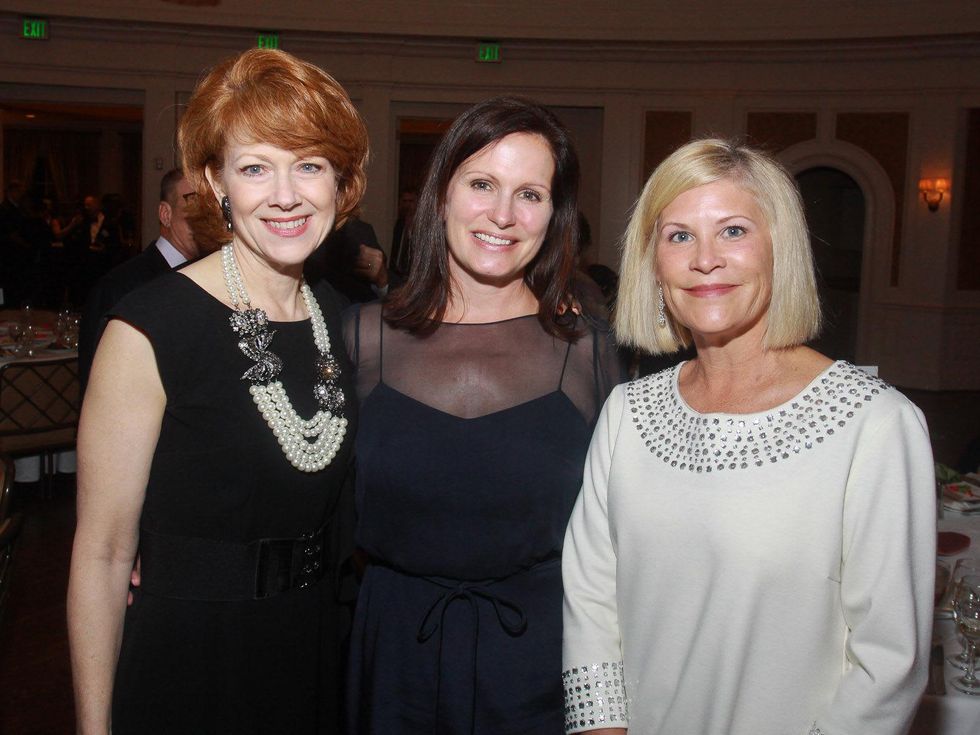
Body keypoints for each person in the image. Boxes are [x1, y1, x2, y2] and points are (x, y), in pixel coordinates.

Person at [561, 139, 935, 735]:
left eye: (733, 231)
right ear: (653, 265)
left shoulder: (874, 425)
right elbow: (590, 601)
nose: (705, 260)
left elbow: (889, 664)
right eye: (679, 236)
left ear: (779, 250)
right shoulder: (627, 413)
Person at [67, 48, 368, 735]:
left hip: (310, 649)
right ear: (215, 181)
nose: (286, 195)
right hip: (189, 662)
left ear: (341, 182)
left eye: (310, 165)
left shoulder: (340, 316)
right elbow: (103, 554)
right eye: (255, 167)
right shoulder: (149, 329)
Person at [344, 96, 621, 734]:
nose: (503, 214)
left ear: (555, 215)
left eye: (530, 194)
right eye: (482, 184)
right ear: (441, 194)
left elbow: (622, 536)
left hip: (540, 664)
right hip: (394, 657)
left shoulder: (590, 351)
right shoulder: (360, 337)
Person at [78, 168, 201, 391]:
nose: (204, 218)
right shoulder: (121, 287)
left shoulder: (213, 277)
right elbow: (97, 380)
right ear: (166, 214)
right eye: (193, 204)